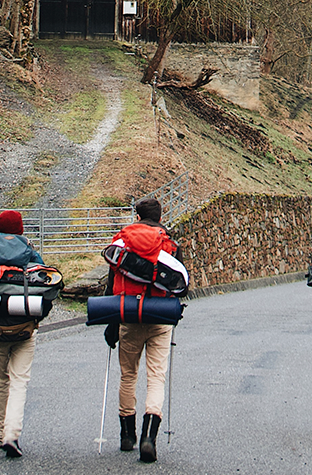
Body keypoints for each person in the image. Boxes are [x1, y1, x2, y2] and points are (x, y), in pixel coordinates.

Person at [102, 198, 184, 463]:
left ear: (137, 217)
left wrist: (111, 323)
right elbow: (180, 285)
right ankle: (150, 437)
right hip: (160, 317)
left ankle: (127, 436)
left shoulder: (122, 242)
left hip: (128, 315)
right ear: (159, 218)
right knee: (156, 377)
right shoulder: (169, 245)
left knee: (128, 375)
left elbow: (112, 283)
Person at [0, 210, 50, 458]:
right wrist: (35, 319)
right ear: (21, 230)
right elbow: (46, 291)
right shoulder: (31, 255)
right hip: (24, 328)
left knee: (0, 381)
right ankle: (12, 435)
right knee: (19, 381)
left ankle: (0, 432)